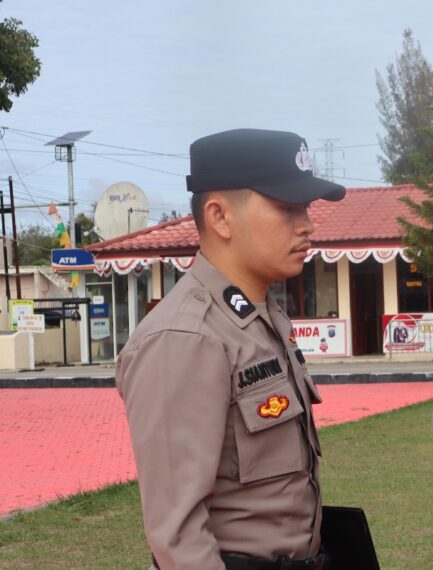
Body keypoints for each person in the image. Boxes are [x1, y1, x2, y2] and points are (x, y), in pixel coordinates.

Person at [117, 128, 344, 569]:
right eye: (286, 207)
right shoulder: (186, 337)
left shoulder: (264, 318)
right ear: (220, 217)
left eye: (307, 207)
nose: (307, 223)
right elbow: (178, 537)